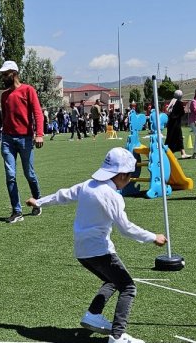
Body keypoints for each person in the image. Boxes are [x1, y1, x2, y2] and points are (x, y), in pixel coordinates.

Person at [25, 147, 167, 343]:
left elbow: (63, 195)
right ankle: (117, 336)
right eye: (130, 176)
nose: (130, 179)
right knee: (128, 287)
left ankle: (93, 315)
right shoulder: (112, 196)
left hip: (82, 252)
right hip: (100, 251)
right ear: (122, 175)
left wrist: (39, 202)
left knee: (112, 281)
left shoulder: (88, 185)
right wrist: (153, 237)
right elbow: (125, 229)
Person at [0, 60, 44, 223]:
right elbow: (5, 117)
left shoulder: (28, 90)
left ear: (14, 73)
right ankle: (16, 211)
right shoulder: (4, 95)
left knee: (29, 174)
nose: (3, 77)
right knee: (10, 175)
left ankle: (38, 201)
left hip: (25, 139)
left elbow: (38, 113)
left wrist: (39, 134)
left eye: (5, 74)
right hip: (8, 140)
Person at [164, 90, 190, 159]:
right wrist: (186, 108)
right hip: (176, 124)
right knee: (175, 138)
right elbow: (182, 113)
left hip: (171, 123)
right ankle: (169, 154)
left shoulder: (172, 101)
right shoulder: (178, 103)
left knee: (175, 138)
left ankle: (182, 153)